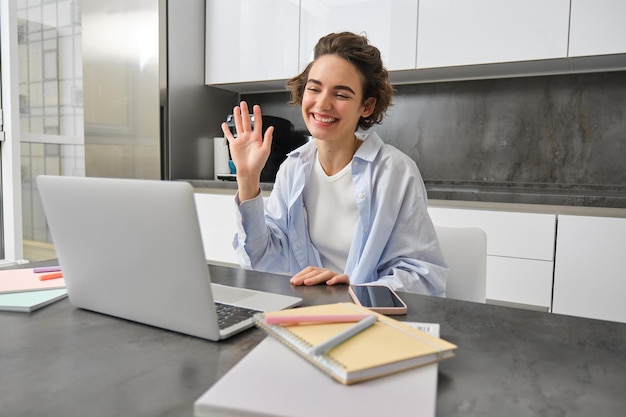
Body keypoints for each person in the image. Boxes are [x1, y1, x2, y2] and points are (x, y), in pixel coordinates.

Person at [221, 32, 447, 295]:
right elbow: (261, 261)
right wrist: (248, 180)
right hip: (306, 314)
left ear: (367, 106)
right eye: (314, 88)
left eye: (341, 94)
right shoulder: (293, 168)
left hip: (367, 321)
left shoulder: (395, 172)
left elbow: (422, 278)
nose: (322, 103)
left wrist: (355, 289)